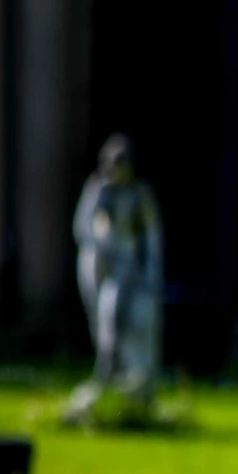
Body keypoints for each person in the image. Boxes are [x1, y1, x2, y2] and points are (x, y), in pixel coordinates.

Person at [71, 135, 164, 411]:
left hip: (128, 268)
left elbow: (151, 236)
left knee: (131, 323)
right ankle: (108, 377)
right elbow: (83, 227)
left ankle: (134, 384)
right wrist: (101, 244)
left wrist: (149, 271)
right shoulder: (98, 190)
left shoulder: (138, 194)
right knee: (103, 323)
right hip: (101, 266)